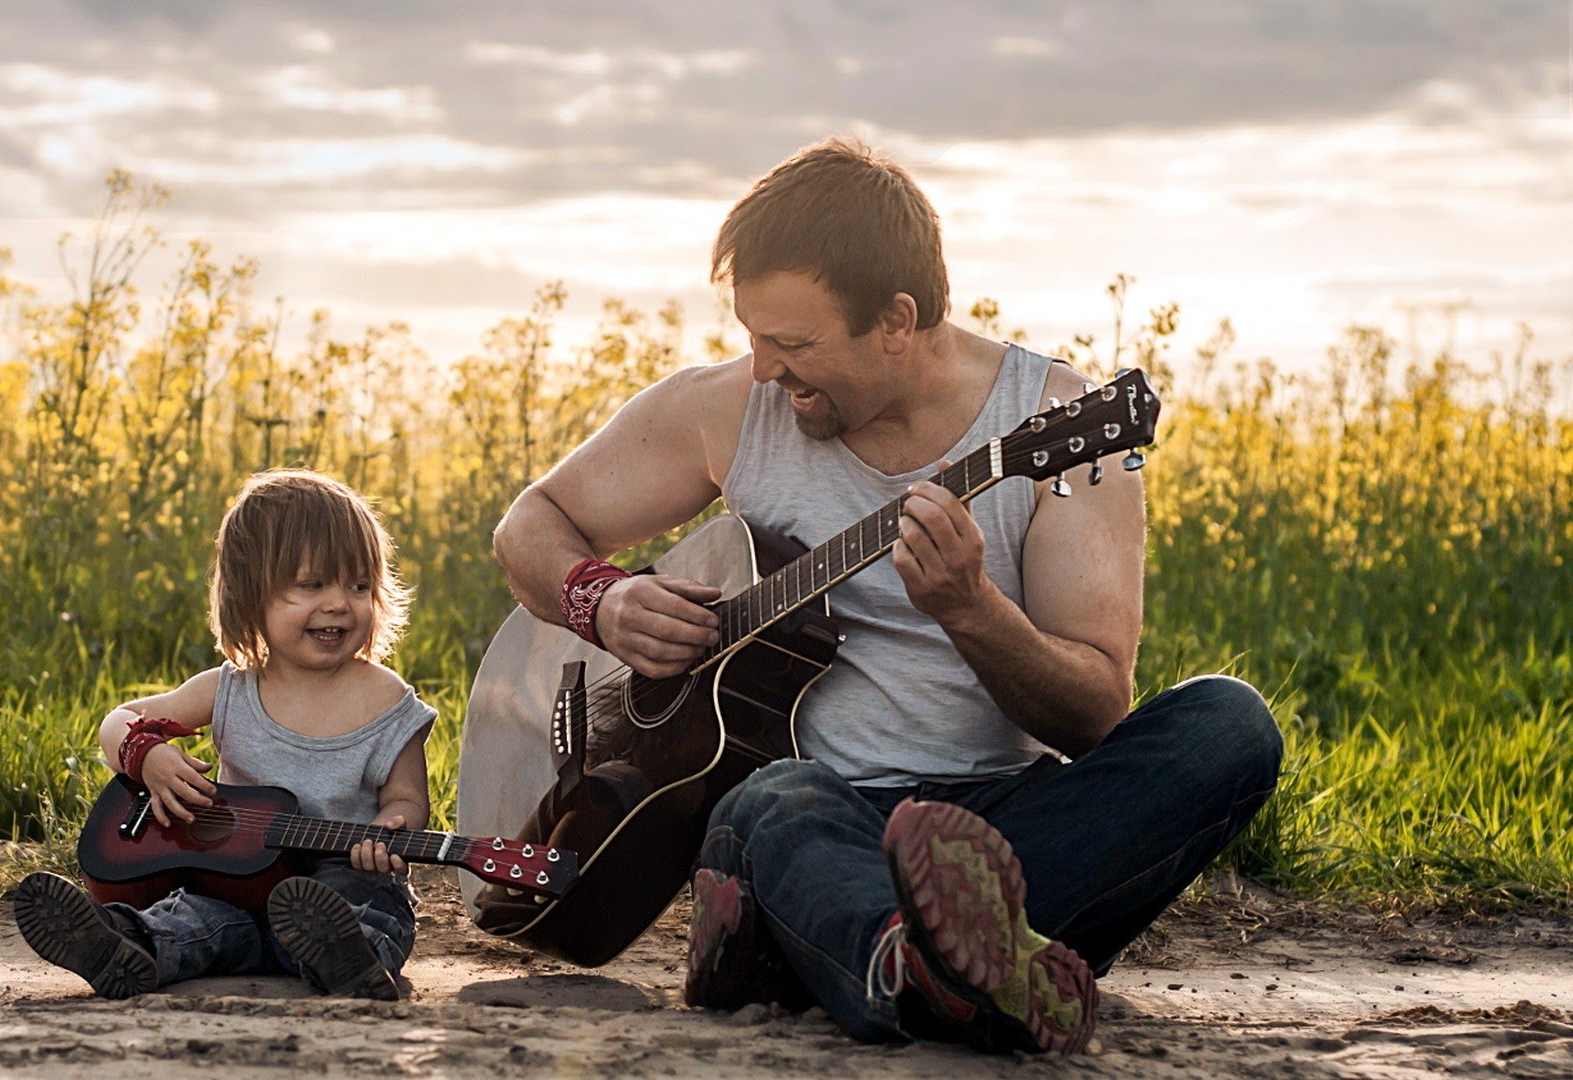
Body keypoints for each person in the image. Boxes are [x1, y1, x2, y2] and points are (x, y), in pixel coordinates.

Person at [490, 138, 1282, 1054]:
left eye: (791, 343)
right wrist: (603, 602)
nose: (762, 369)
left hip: (997, 826)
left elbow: (1095, 716)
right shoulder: (728, 411)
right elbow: (531, 526)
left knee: (1229, 725)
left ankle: (876, 960)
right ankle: (957, 968)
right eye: (752, 336)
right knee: (771, 805)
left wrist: (972, 609)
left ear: (897, 320)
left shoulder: (1057, 424)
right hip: (815, 808)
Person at [14, 468, 436, 1001]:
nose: (338, 603)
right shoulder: (229, 689)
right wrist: (146, 757)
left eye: (358, 585)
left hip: (343, 877)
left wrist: (390, 827)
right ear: (249, 595)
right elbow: (118, 721)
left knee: (361, 910)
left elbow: (406, 798)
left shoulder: (387, 701)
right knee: (190, 918)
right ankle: (119, 943)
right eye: (310, 585)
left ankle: (350, 958)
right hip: (234, 887)